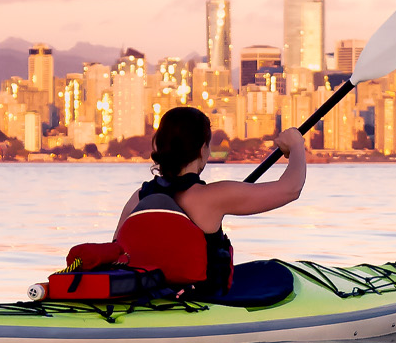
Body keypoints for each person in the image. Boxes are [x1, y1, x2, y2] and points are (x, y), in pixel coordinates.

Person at [111, 105, 303, 304]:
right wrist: (296, 144)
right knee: (275, 273)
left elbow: (115, 251)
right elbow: (291, 189)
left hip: (145, 294)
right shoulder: (213, 197)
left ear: (159, 147)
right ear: (203, 149)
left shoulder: (138, 198)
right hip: (203, 299)